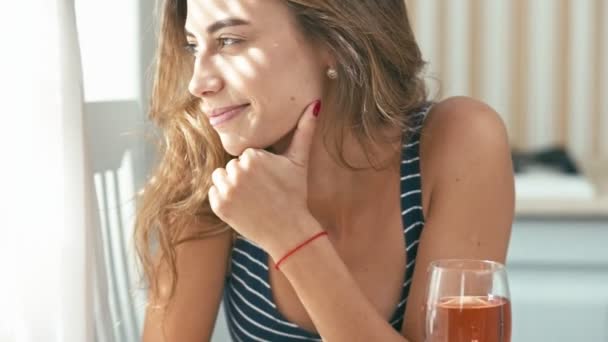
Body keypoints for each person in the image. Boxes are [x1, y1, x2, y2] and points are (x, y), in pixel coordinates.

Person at [134, 0, 515, 341]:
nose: (198, 83)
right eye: (193, 46)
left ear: (335, 40)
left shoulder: (459, 141)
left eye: (230, 41)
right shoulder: (209, 169)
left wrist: (291, 236)